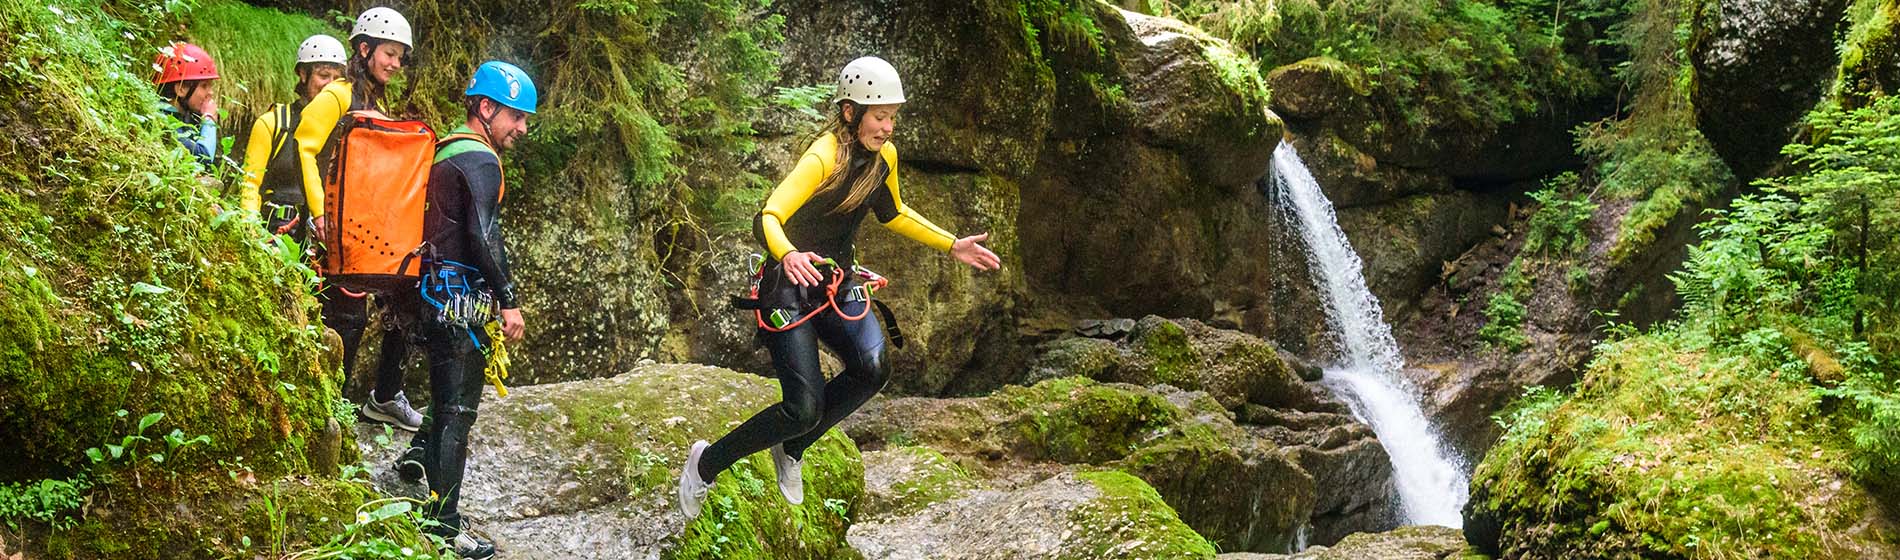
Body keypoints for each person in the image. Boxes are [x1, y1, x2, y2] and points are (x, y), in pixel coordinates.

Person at [676, 56, 1001, 519]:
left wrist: (952, 245)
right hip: (788, 284)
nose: (888, 127)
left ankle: (792, 449)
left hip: (836, 279)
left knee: (873, 367)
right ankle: (706, 464)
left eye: (892, 116)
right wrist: (788, 254)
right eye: (879, 116)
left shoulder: (883, 158)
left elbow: (895, 213)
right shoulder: (823, 156)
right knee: (802, 407)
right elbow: (768, 215)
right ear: (850, 113)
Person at [393, 60, 536, 559]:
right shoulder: (480, 160)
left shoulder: (446, 150)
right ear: (486, 107)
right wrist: (510, 300)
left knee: (445, 397)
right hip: (458, 301)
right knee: (458, 411)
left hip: (432, 292)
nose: (520, 128)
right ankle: (443, 524)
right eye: (515, 116)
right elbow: (483, 234)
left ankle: (416, 457)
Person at [293, 7, 424, 431]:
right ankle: (328, 409)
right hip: (332, 227)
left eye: (401, 57)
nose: (395, 63)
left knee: (402, 303)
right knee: (347, 319)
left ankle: (379, 397)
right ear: (364, 49)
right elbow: (304, 146)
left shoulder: (376, 101)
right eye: (389, 53)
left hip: (366, 230)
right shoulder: (339, 95)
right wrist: (319, 213)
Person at [237, 34, 346, 248]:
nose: (331, 86)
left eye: (337, 79)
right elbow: (250, 183)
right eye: (324, 76)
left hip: (324, 240)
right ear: (303, 74)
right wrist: (250, 230)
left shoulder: (344, 132)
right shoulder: (272, 123)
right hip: (275, 234)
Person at [153, 42, 221, 169]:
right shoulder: (163, 121)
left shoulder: (185, 115)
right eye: (204, 86)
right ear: (181, 89)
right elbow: (204, 157)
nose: (210, 93)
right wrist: (209, 119)